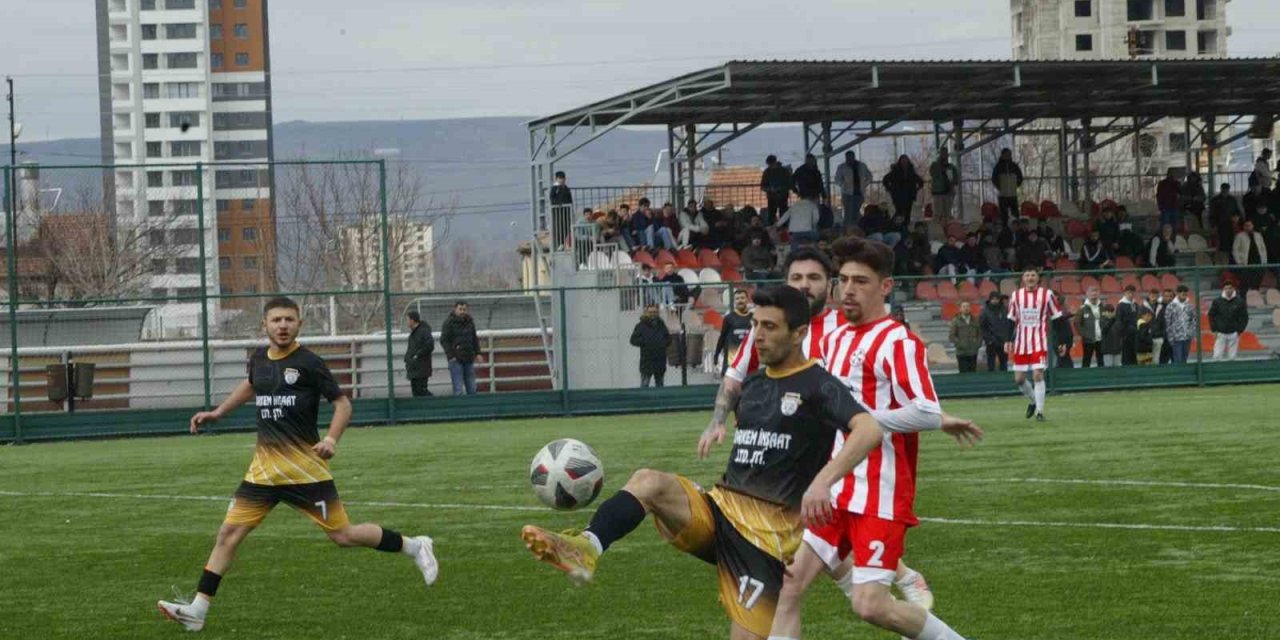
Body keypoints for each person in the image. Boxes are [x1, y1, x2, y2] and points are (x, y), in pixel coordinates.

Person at [520, 286, 893, 640]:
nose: (758, 335)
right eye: (755, 326)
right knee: (649, 481)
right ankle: (586, 548)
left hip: (764, 542)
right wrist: (717, 422)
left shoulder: (819, 385)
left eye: (770, 327)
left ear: (798, 334)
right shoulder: (756, 384)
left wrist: (823, 481)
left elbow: (869, 429)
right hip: (719, 512)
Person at [157, 297, 438, 632]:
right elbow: (251, 384)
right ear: (265, 325)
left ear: (299, 324)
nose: (283, 325)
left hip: (304, 471)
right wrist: (218, 412)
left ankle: (415, 545)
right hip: (263, 472)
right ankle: (198, 610)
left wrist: (332, 439)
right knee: (228, 535)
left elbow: (342, 404)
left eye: (289, 319)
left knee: (344, 536)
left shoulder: (310, 363)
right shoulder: (259, 359)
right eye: (276, 320)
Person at [767, 237, 981, 640]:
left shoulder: (898, 341)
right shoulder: (835, 337)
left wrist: (862, 420)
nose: (848, 289)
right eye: (844, 279)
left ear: (885, 287)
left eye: (861, 281)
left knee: (870, 605)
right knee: (788, 583)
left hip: (879, 493)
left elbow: (924, 408)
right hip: (836, 488)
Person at [1006, 269, 1062, 421]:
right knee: (1019, 379)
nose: (1030, 278)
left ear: (1038, 278)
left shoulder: (1047, 294)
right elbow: (1010, 319)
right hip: (1021, 342)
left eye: (1033, 275)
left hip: (1039, 341)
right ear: (1023, 278)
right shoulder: (1016, 295)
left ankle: (1040, 412)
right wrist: (1008, 340)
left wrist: (1062, 340)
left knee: (1038, 375)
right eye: (1027, 275)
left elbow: (1057, 317)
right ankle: (1033, 401)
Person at [441, 301, 484, 395]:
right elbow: (444, 340)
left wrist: (478, 353)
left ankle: (472, 407)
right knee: (458, 388)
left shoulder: (470, 322)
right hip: (456, 359)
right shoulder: (449, 323)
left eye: (464, 309)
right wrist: (451, 356)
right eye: (460, 309)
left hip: (468, 357)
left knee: (472, 387)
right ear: (455, 309)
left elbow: (474, 338)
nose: (462, 311)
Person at [629, 303, 671, 387]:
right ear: (646, 313)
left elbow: (668, 339)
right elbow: (633, 340)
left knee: (660, 386)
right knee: (644, 385)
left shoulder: (662, 325)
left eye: (655, 312)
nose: (653, 314)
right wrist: (646, 342)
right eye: (650, 312)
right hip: (647, 361)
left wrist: (661, 343)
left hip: (660, 361)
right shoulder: (640, 326)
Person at [714, 290, 754, 375]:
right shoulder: (729, 318)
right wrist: (716, 354)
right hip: (731, 361)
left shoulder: (754, 318)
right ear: (734, 301)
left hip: (748, 359)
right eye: (737, 298)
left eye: (742, 298)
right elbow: (722, 337)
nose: (740, 300)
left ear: (747, 299)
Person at [1208, 282, 1248, 362]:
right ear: (1223, 289)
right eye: (1226, 288)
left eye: (1230, 288)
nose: (1228, 290)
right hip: (1221, 333)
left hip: (1234, 333)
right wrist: (1214, 329)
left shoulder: (1239, 302)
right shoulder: (1217, 301)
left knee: (1232, 358)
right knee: (1217, 356)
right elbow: (1211, 315)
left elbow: (1244, 317)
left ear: (1233, 289)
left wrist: (1239, 330)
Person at [882, 155, 925, 226]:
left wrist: (916, 189)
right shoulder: (895, 170)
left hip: (909, 195)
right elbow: (885, 179)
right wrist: (890, 189)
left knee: (907, 212)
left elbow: (919, 181)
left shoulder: (911, 171)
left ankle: (904, 227)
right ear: (900, 161)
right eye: (903, 160)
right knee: (899, 212)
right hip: (898, 195)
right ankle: (897, 226)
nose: (904, 162)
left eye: (905, 160)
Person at [835, 151, 873, 229]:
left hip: (859, 192)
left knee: (856, 212)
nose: (849, 159)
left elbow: (869, 176)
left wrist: (865, 184)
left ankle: (856, 228)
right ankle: (848, 229)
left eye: (851, 157)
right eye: (848, 157)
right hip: (847, 193)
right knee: (848, 213)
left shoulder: (861, 166)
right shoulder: (842, 167)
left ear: (853, 157)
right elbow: (837, 179)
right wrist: (843, 185)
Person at [1232, 220, 1267, 296]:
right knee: (1245, 283)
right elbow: (1235, 250)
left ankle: (1255, 297)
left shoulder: (1258, 235)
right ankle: (1243, 299)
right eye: (1246, 225)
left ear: (1252, 226)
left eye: (1250, 225)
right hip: (1246, 263)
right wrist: (1239, 262)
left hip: (1258, 262)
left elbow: (1263, 248)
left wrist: (1264, 261)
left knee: (1257, 282)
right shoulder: (1239, 236)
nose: (1248, 227)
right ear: (1244, 227)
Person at [404, 310, 435, 397]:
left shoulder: (423, 331)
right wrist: (407, 359)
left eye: (407, 319)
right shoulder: (414, 333)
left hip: (421, 368)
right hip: (415, 367)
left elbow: (429, 345)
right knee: (416, 392)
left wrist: (417, 355)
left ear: (412, 320)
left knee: (421, 391)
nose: (407, 322)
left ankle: (432, 403)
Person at [980, 292, 1012, 371]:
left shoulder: (1005, 310)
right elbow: (982, 327)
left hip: (1003, 341)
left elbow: (1010, 324)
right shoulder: (985, 311)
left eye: (996, 299)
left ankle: (1004, 380)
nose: (995, 301)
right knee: (991, 364)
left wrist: (1008, 338)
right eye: (993, 299)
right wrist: (989, 340)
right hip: (991, 342)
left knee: (1004, 364)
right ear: (990, 300)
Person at [991, 148, 1023, 227]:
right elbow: (994, 178)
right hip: (1003, 195)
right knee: (1004, 215)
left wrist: (1017, 184)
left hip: (1012, 194)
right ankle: (1005, 229)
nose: (1008, 156)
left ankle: (1016, 229)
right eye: (1006, 154)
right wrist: (1000, 187)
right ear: (1002, 155)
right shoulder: (998, 167)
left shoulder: (1014, 166)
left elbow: (1020, 176)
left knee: (1015, 214)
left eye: (1009, 154)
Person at [1164, 285, 1195, 364]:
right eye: (1182, 294)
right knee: (1177, 359)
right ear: (1177, 294)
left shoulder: (1190, 306)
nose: (1184, 296)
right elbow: (1167, 322)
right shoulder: (1170, 306)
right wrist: (1170, 337)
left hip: (1187, 337)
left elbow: (1193, 320)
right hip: (1176, 338)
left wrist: (1191, 332)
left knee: (1184, 358)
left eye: (1185, 294)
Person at [1074, 286, 1105, 368]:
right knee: (1086, 360)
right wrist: (1085, 335)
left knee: (1101, 361)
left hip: (1101, 339)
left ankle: (1102, 378)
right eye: (1092, 291)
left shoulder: (1103, 307)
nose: (1094, 293)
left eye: (1096, 291)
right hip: (1088, 340)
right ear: (1087, 294)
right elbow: (1077, 323)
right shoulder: (1082, 309)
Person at [928, 147, 960, 223]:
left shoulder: (951, 167)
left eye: (945, 153)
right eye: (942, 153)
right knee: (938, 214)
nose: (944, 155)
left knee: (947, 214)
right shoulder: (935, 165)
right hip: (938, 192)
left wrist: (952, 181)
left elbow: (956, 180)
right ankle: (938, 229)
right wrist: (940, 166)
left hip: (949, 192)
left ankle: (947, 229)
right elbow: (932, 173)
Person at [1209, 183, 1243, 253]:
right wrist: (1213, 225)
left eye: (1227, 189)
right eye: (1224, 189)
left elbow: (1236, 211)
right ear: (1221, 189)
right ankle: (1223, 258)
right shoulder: (1215, 200)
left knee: (1231, 243)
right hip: (1220, 225)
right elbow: (1212, 214)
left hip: (1230, 225)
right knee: (1221, 244)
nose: (1225, 191)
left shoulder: (1232, 200)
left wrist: (1237, 218)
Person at [949, 300, 981, 373]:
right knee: (963, 373)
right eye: (964, 306)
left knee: (973, 372)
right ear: (960, 309)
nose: (966, 308)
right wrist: (960, 344)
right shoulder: (955, 321)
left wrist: (977, 344)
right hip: (961, 352)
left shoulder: (975, 320)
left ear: (970, 308)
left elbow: (979, 334)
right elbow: (951, 336)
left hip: (973, 352)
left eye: (967, 306)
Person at [761, 155, 793, 224]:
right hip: (776, 197)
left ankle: (780, 229)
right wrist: (770, 189)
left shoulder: (782, 171)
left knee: (780, 215)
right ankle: (777, 229)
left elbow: (789, 184)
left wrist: (776, 189)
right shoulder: (768, 172)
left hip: (780, 196)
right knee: (774, 216)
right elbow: (763, 186)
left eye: (771, 164)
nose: (770, 166)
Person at [1115, 285, 1139, 366]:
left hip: (1135, 334)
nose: (1131, 295)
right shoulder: (1121, 305)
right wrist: (1123, 334)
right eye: (1129, 293)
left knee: (1134, 355)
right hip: (1126, 335)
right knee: (1126, 356)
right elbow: (1118, 321)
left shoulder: (1135, 304)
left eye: (1132, 293)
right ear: (1125, 293)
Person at [550, 170, 573, 247]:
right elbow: (552, 198)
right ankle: (560, 243)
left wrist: (570, 206)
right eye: (559, 178)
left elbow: (570, 199)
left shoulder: (566, 188)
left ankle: (566, 242)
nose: (561, 180)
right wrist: (558, 203)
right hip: (558, 212)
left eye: (563, 178)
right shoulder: (555, 188)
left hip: (567, 211)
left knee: (567, 226)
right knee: (559, 227)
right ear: (556, 179)